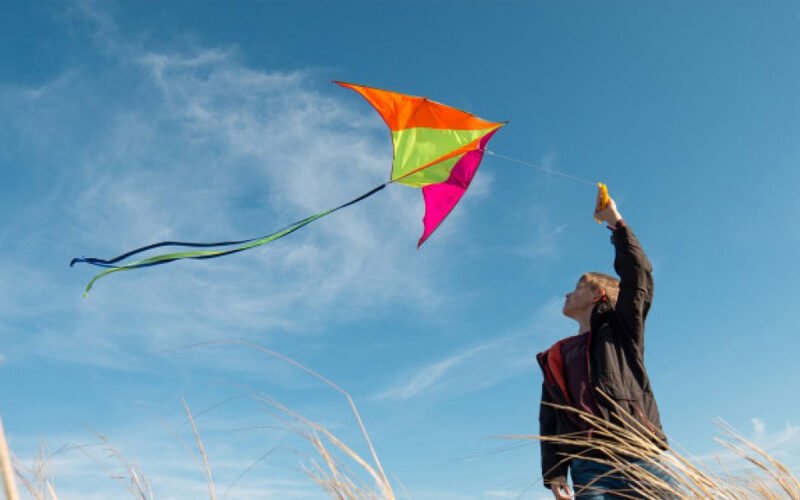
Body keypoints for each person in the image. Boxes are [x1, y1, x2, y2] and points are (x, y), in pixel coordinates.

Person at [537, 189, 669, 499]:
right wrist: (555, 470)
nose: (568, 294)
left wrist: (616, 223)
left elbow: (639, 276)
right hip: (589, 466)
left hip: (637, 451)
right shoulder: (555, 356)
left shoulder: (621, 331)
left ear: (599, 296)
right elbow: (550, 415)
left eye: (578, 287)